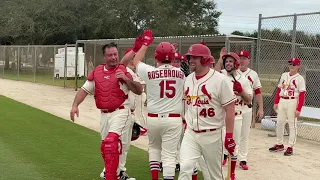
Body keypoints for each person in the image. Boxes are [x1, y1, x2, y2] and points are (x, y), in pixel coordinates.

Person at [70, 42, 143, 180]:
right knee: (107, 148)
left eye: (115, 54)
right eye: (110, 55)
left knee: (111, 143)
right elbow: (84, 90)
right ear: (104, 57)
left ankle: (112, 176)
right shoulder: (97, 72)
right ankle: (116, 173)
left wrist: (126, 79)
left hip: (121, 111)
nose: (114, 57)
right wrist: (75, 105)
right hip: (104, 114)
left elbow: (139, 90)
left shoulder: (123, 70)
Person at [130, 30, 185, 180]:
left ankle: (155, 178)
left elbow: (135, 61)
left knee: (154, 149)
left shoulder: (150, 72)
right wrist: (170, 53)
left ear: (156, 57)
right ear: (173, 58)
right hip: (173, 119)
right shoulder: (181, 73)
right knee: (169, 155)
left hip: (154, 118)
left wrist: (146, 43)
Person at [178, 43, 237, 180]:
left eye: (195, 57)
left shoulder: (220, 80)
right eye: (189, 57)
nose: (190, 60)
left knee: (214, 176)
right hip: (191, 133)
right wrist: (186, 121)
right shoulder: (187, 80)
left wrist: (229, 135)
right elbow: (187, 104)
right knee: (185, 168)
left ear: (205, 60)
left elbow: (230, 107)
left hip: (212, 134)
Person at [215, 50, 253, 179]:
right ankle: (218, 172)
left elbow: (249, 100)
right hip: (220, 116)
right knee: (219, 145)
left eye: (231, 61)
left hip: (236, 116)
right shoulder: (221, 76)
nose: (228, 63)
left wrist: (241, 91)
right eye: (226, 61)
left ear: (236, 63)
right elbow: (214, 73)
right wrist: (220, 59)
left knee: (233, 146)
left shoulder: (243, 79)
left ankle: (231, 175)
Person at [269, 57, 306, 156]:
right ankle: (279, 143)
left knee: (292, 125)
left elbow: (302, 94)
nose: (291, 66)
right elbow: (279, 89)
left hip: (292, 101)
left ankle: (290, 147)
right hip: (282, 100)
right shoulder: (284, 75)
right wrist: (276, 102)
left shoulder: (300, 78)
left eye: (294, 64)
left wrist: (299, 108)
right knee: (280, 123)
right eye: (290, 64)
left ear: (298, 66)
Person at [236, 50, 264, 170]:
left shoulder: (253, 74)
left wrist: (261, 108)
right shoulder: (232, 72)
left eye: (244, 58)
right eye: (240, 58)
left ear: (248, 60)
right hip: (234, 107)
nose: (242, 60)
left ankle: (242, 158)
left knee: (244, 135)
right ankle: (228, 154)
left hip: (246, 108)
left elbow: (258, 92)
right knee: (232, 133)